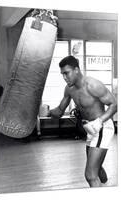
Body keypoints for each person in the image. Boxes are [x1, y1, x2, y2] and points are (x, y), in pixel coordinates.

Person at [47, 55, 117, 187]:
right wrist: (47, 112)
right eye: (62, 74)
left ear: (76, 70)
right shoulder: (69, 89)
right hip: (90, 130)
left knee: (90, 175)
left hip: (102, 128)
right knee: (97, 167)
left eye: (66, 73)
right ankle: (107, 187)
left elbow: (115, 104)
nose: (64, 77)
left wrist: (100, 121)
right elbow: (60, 111)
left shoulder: (93, 85)